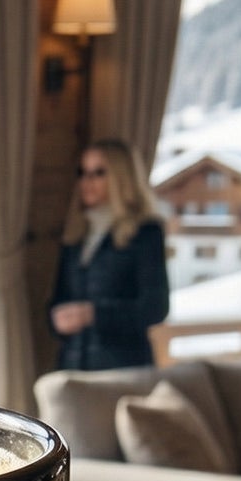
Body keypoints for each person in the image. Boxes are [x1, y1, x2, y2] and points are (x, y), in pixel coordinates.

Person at [48, 138, 170, 371]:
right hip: (73, 368)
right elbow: (57, 300)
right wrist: (56, 321)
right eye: (83, 172)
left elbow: (156, 307)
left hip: (123, 369)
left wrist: (93, 315)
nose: (87, 181)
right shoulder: (76, 235)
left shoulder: (145, 233)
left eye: (98, 173)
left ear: (120, 176)